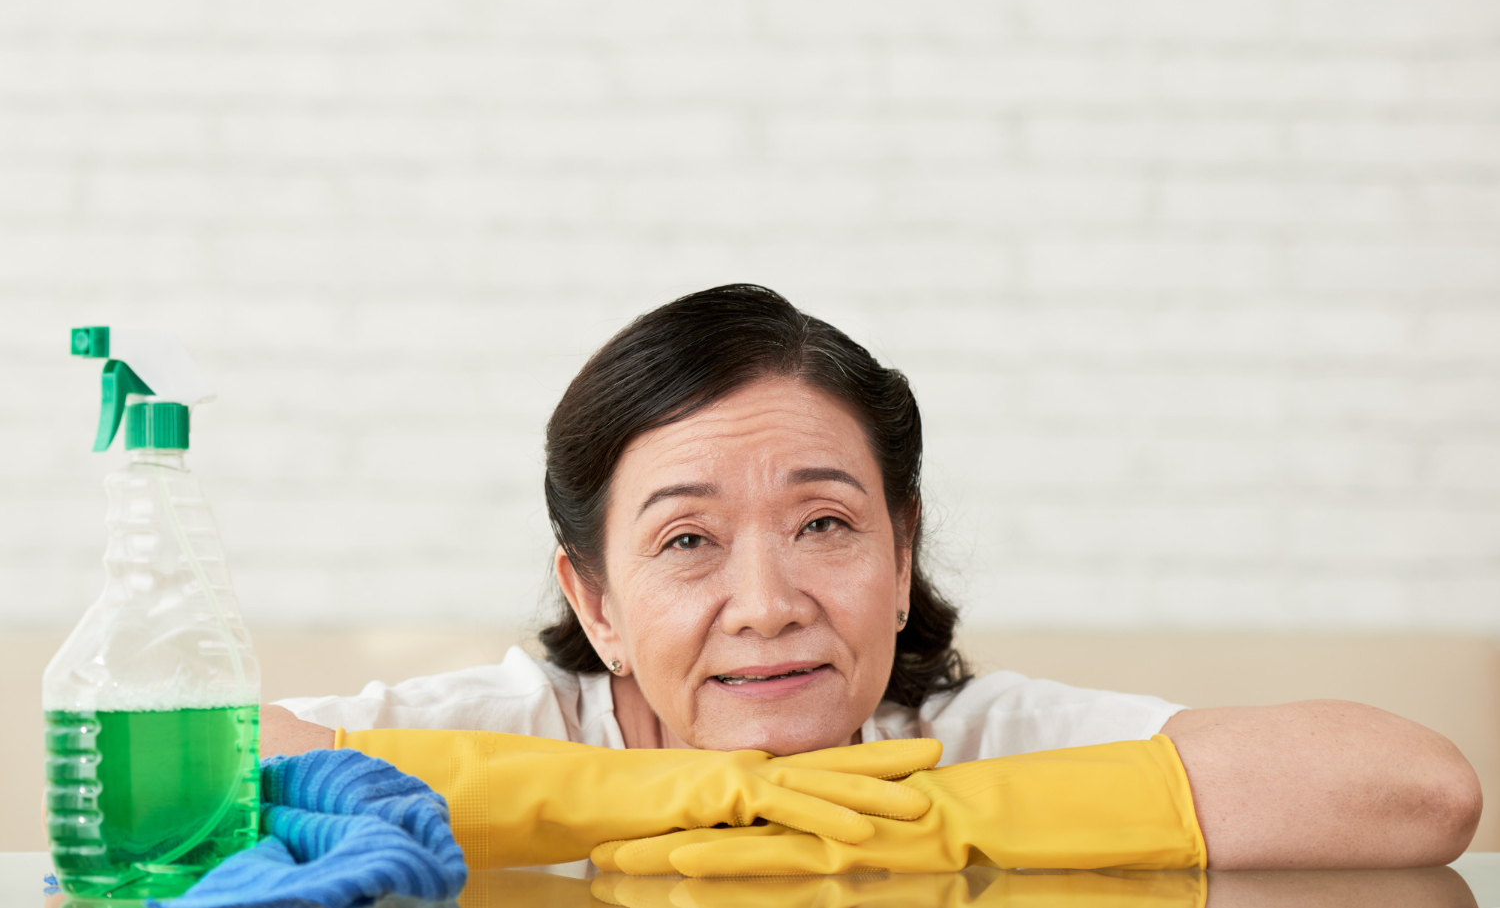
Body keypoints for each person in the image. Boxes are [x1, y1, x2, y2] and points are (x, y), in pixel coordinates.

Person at [264, 283, 1482, 871]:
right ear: (595, 600)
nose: (769, 599)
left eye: (826, 524)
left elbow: (1417, 790)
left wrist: (940, 816)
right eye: (687, 539)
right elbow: (182, 756)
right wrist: (678, 799)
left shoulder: (953, 741)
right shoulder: (514, 726)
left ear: (901, 557)